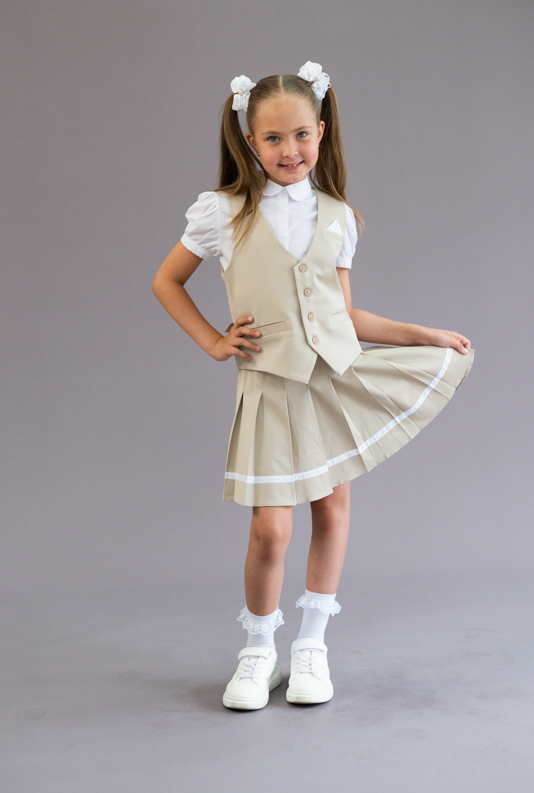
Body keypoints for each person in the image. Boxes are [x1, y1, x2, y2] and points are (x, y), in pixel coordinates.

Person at [152, 61, 475, 711]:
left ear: (321, 133)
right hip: (269, 386)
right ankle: (258, 651)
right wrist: (214, 341)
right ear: (250, 141)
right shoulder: (223, 212)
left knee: (331, 509)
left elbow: (343, 314)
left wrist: (419, 333)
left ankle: (311, 646)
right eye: (273, 138)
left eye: (301, 134)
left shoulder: (338, 216)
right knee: (270, 531)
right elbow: (167, 281)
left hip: (333, 378)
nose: (289, 150)